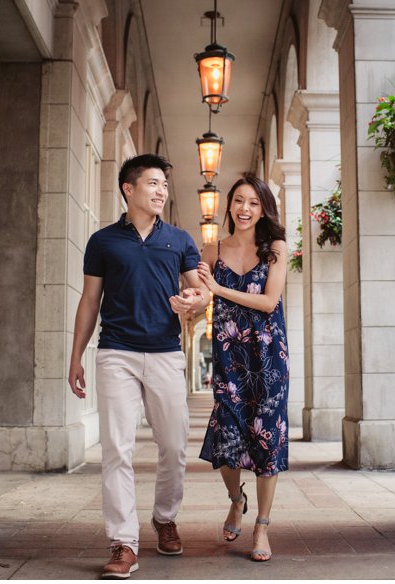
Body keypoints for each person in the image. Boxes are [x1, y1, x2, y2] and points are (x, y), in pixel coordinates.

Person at [68, 154, 207, 579]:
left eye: (164, 184)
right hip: (116, 353)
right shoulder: (103, 241)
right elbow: (90, 300)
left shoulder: (180, 240)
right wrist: (76, 355)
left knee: (173, 447)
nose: (161, 190)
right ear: (129, 189)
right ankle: (123, 543)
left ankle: (164, 518)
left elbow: (200, 292)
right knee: (117, 450)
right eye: (153, 183)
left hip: (165, 353)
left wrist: (194, 301)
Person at [197, 175, 289, 562]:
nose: (245, 209)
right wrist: (188, 297)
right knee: (226, 438)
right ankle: (237, 499)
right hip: (228, 357)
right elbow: (200, 292)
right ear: (229, 206)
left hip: (267, 357)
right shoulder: (212, 249)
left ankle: (262, 527)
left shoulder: (276, 249)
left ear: (263, 207)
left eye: (253, 202)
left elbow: (269, 302)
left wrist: (218, 291)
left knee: (267, 439)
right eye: (238, 201)